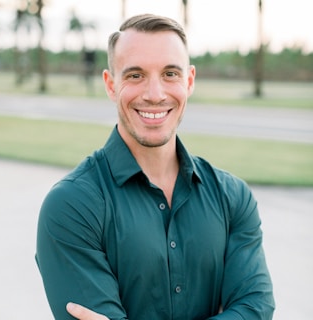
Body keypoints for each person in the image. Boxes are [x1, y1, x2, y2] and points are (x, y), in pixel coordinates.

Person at [36, 13, 275, 320]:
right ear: (111, 85)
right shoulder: (72, 206)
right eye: (135, 75)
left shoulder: (233, 198)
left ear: (188, 81)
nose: (154, 94)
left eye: (170, 74)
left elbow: (256, 309)